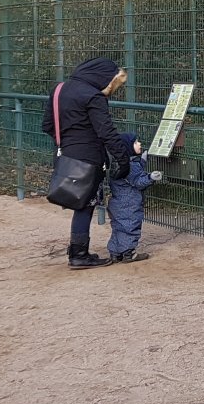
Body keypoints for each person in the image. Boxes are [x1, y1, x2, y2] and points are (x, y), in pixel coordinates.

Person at [41, 57, 130, 269]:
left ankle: (77, 251)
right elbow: (106, 132)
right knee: (85, 205)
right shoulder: (93, 96)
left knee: (79, 202)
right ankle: (79, 254)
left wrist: (67, 141)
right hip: (89, 158)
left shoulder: (60, 89)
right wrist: (123, 160)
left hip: (65, 155)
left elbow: (47, 124)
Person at [105, 132, 162, 264]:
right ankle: (129, 253)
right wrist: (150, 178)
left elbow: (130, 177)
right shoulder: (131, 166)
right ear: (128, 147)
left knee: (118, 227)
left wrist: (142, 160)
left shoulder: (118, 163)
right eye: (136, 142)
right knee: (131, 227)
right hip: (130, 203)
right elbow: (137, 182)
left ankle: (115, 253)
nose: (139, 143)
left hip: (117, 202)